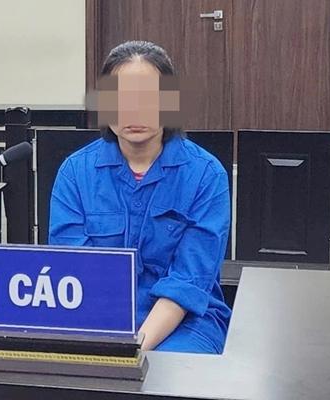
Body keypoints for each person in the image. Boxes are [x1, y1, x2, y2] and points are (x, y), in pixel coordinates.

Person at [48, 41, 231, 354]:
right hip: (96, 317)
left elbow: (187, 282)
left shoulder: (206, 175)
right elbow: (73, 269)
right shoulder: (75, 173)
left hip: (185, 323)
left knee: (164, 373)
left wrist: (133, 349)